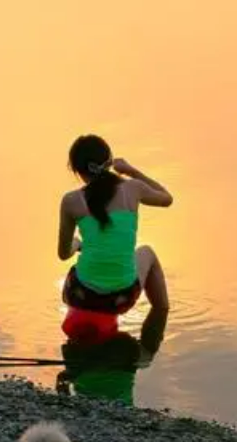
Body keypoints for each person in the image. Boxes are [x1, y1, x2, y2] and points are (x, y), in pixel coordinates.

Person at [58, 134, 172, 333]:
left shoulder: (70, 201)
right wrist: (131, 171)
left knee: (82, 269)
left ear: (77, 170)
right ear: (109, 162)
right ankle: (159, 319)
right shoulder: (133, 189)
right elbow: (167, 198)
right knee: (147, 253)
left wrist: (76, 244)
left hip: (81, 295)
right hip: (122, 297)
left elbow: (63, 254)